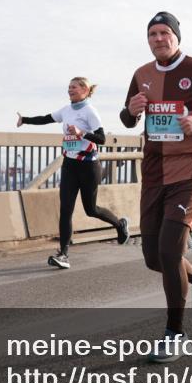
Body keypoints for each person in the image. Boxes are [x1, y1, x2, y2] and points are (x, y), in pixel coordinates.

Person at [120, 11, 192, 363]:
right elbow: (126, 116)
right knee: (155, 259)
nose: (159, 39)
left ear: (177, 37)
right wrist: (131, 111)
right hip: (153, 173)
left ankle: (174, 334)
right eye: (152, 34)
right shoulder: (141, 75)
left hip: (190, 170)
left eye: (165, 33)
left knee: (169, 250)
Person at [17, 77, 129, 269]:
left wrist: (81, 133)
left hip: (88, 166)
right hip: (69, 164)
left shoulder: (90, 111)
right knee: (65, 209)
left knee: (90, 209)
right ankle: (63, 254)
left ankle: (120, 225)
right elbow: (46, 118)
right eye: (68, 87)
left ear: (85, 90)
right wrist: (25, 120)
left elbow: (102, 139)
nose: (70, 90)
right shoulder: (66, 110)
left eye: (74, 87)